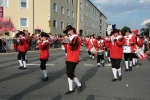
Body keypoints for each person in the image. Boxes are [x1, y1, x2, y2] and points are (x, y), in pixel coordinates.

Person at [63, 25, 82, 94]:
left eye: (69, 30)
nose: (68, 32)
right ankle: (71, 89)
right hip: (68, 57)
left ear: (72, 30)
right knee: (68, 74)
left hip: (73, 57)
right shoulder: (70, 37)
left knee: (70, 73)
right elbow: (66, 48)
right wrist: (65, 42)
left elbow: (72, 47)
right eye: (67, 31)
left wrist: (67, 40)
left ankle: (79, 84)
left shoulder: (76, 37)